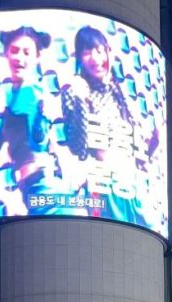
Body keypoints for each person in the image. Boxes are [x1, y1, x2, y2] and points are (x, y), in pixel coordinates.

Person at [61, 26, 158, 227]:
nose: (96, 58)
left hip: (131, 186)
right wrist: (80, 102)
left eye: (99, 50)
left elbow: (139, 151)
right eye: (87, 52)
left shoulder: (117, 90)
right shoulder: (74, 91)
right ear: (78, 57)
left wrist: (153, 142)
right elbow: (77, 147)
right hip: (104, 186)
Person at [0, 26, 79, 216]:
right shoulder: (12, 98)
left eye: (27, 52)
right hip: (32, 191)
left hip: (45, 188)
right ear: (6, 53)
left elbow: (36, 140)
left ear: (36, 57)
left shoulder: (32, 92)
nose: (20, 58)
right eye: (15, 51)